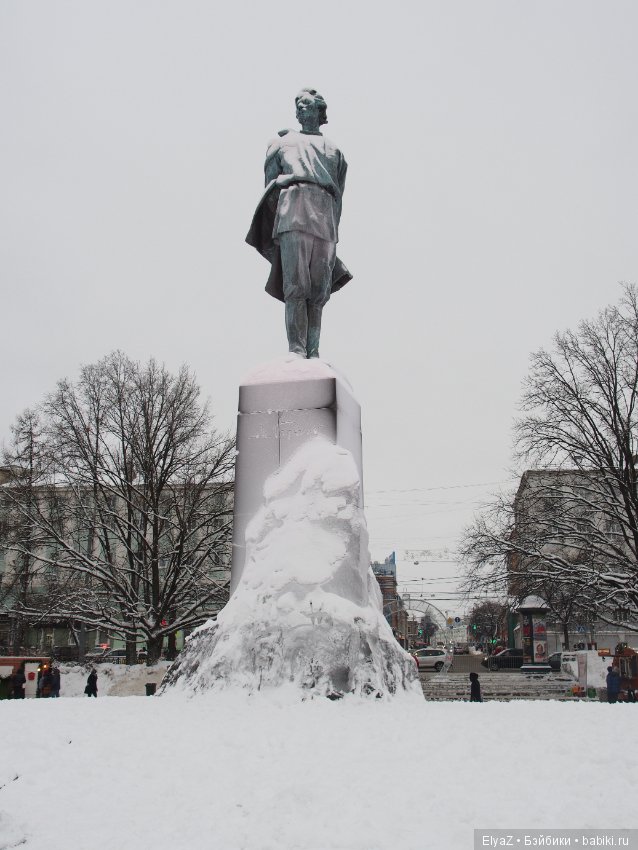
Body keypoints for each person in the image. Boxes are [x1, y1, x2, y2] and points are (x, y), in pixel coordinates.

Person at [246, 88, 352, 359]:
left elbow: (339, 195)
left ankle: (313, 351)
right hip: (293, 211)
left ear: (319, 110)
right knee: (295, 285)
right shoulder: (280, 144)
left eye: (307, 105)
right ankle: (296, 348)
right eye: (298, 106)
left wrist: (334, 230)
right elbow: (268, 189)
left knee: (319, 291)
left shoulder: (335, 151)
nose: (301, 110)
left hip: (325, 217)